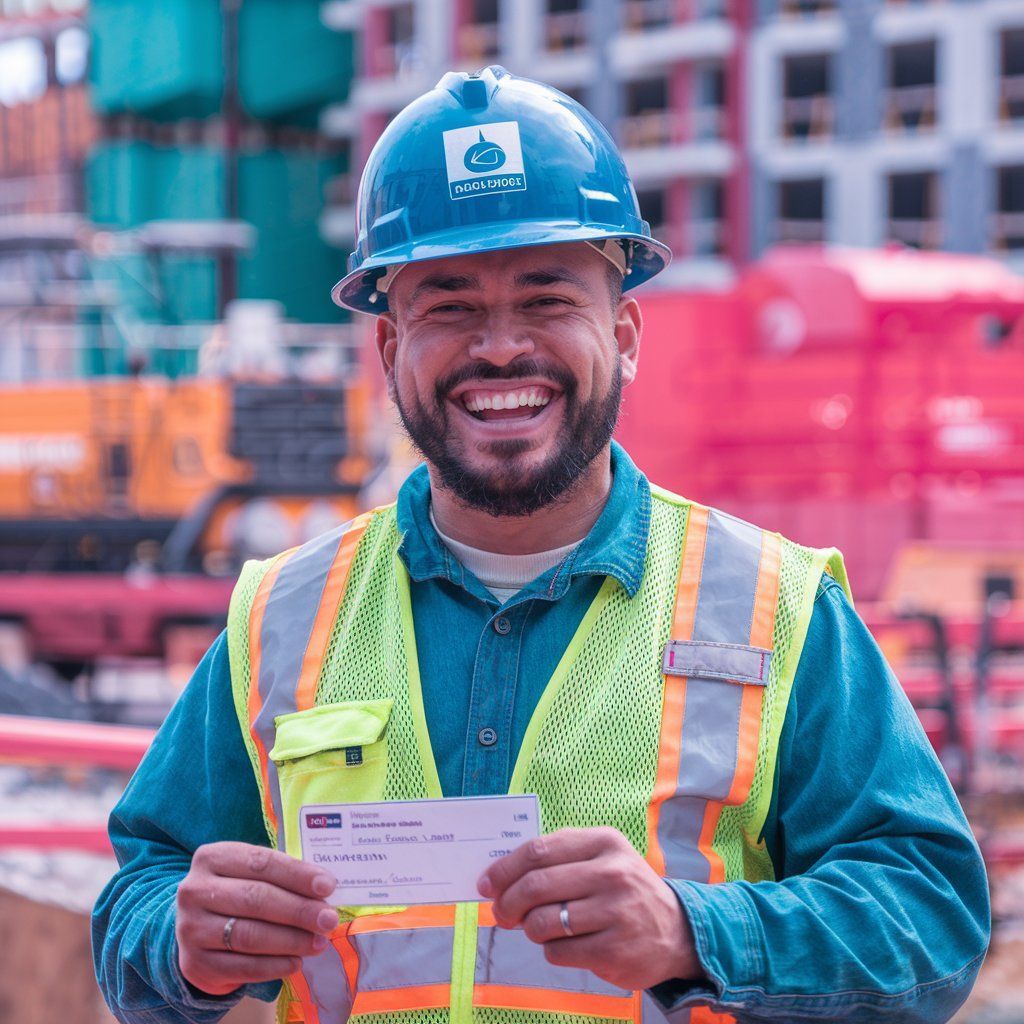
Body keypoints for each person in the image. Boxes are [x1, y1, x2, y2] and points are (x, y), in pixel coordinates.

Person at [93, 66, 989, 1024]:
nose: (501, 348)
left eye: (548, 298)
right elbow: (141, 893)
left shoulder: (775, 605)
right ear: (392, 351)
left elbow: (932, 920)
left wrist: (698, 932)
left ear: (625, 332)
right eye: (449, 306)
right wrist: (182, 947)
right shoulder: (282, 613)